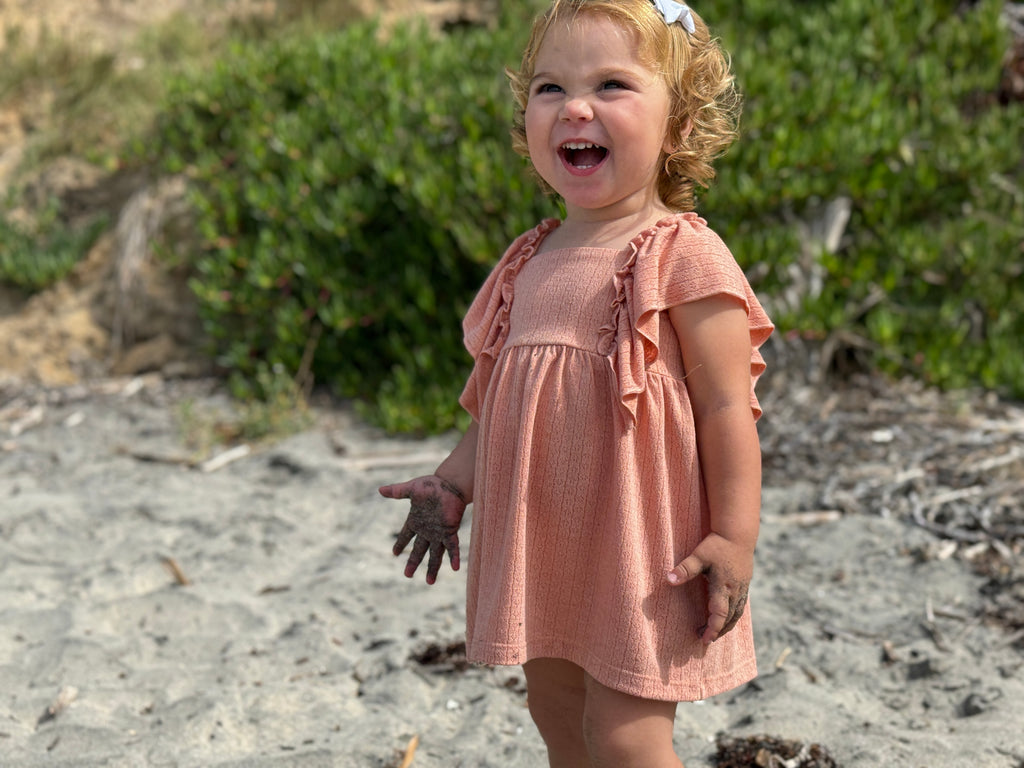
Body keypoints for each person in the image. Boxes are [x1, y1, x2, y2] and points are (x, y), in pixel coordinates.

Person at [379, 1, 773, 765]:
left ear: (680, 123)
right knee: (556, 713)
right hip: (547, 545)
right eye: (550, 88)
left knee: (626, 738)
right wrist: (453, 484)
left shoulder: (681, 255)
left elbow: (729, 407)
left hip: (641, 550)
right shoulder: (530, 260)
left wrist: (735, 537)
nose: (575, 108)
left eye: (613, 86)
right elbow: (500, 404)